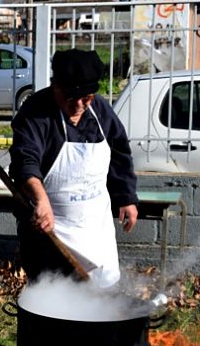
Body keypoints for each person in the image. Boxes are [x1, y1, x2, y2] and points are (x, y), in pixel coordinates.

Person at [9, 49, 139, 287]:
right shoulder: (35, 113)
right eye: (71, 98)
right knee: (52, 298)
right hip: (50, 231)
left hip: (94, 227)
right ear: (55, 86)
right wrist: (41, 200)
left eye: (87, 97)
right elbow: (24, 161)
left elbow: (120, 152)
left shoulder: (100, 110)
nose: (79, 105)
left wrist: (126, 197)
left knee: (101, 295)